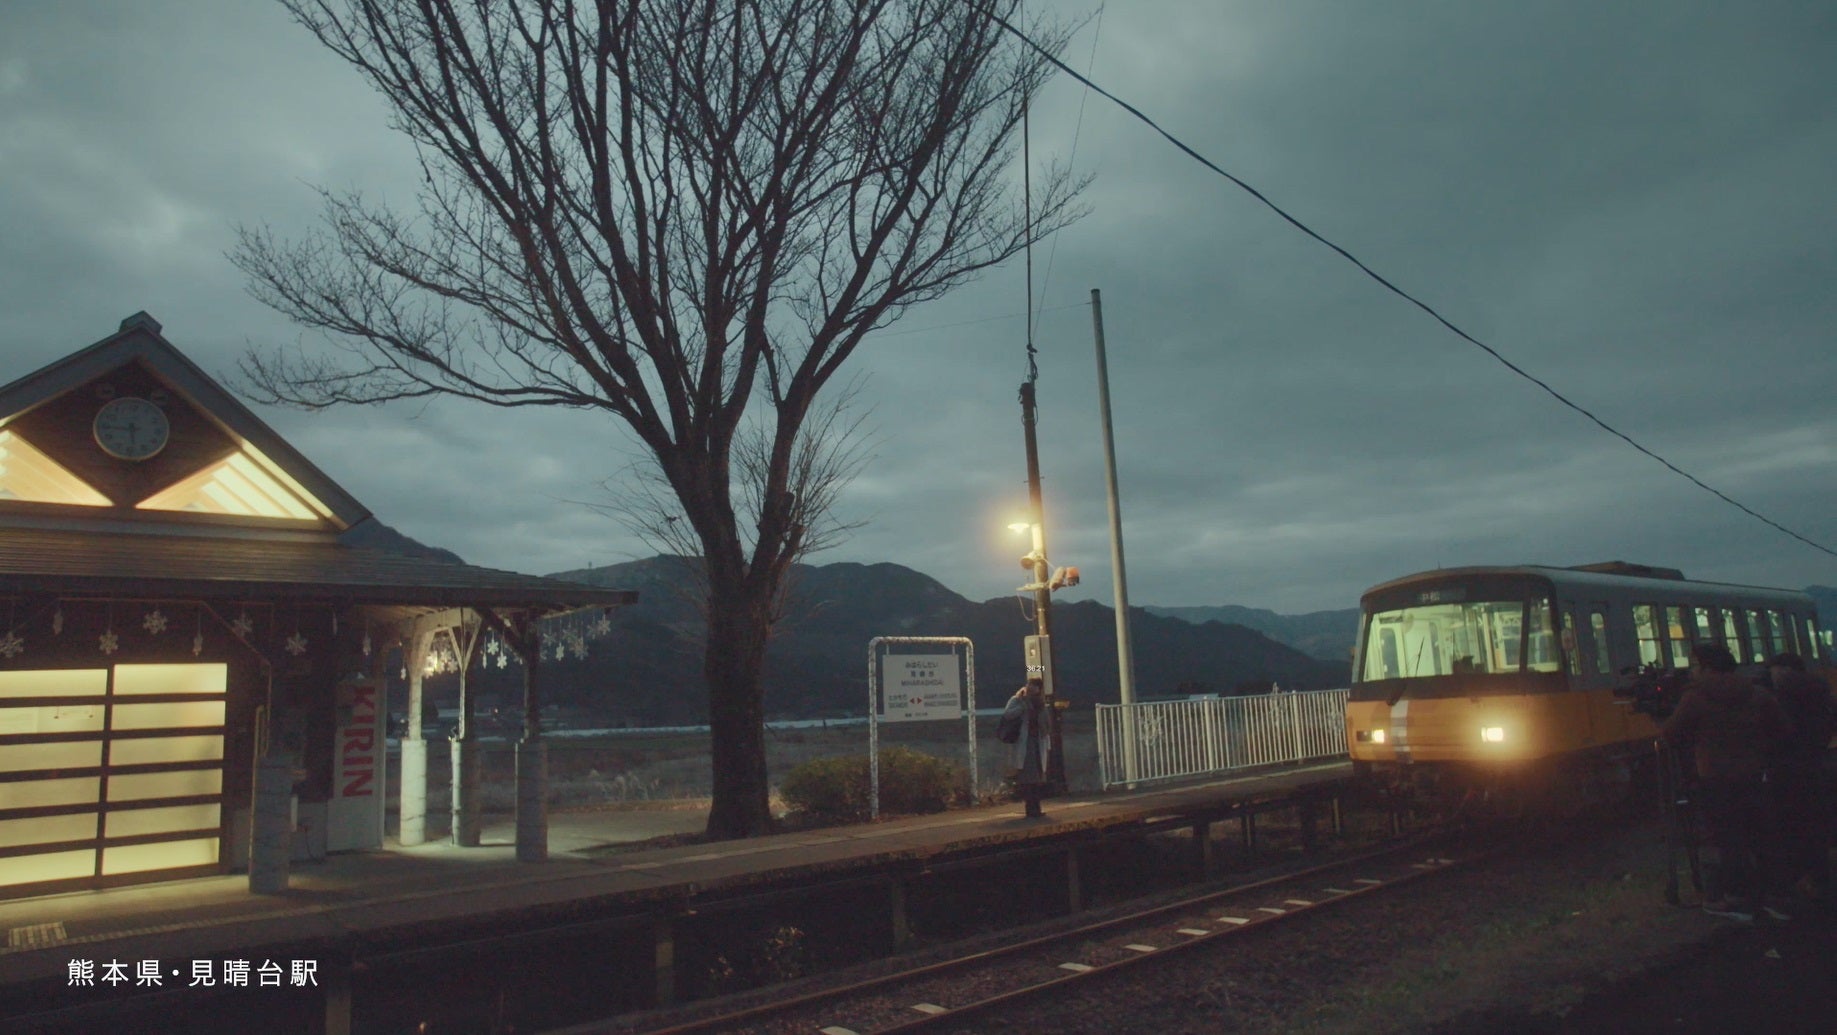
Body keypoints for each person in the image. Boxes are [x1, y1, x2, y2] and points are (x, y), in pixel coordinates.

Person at [1661, 641, 1791, 921]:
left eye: (1694, 665)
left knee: (1726, 838)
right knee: (1760, 834)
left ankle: (1733, 898)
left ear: (1706, 667)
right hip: (1753, 774)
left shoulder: (1695, 697)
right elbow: (1781, 729)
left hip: (1715, 778)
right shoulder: (1757, 693)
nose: (1692, 671)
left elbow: (1671, 733)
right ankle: (1772, 895)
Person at [1766, 651, 1834, 903]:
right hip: (1816, 765)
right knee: (1815, 825)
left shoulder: (1785, 697)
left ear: (1784, 670)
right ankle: (1819, 878)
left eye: (1773, 670)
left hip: (1789, 769)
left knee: (1793, 825)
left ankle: (1801, 880)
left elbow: (1778, 732)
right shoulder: (1821, 693)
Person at [1000, 678, 1050, 818]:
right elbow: (1007, 714)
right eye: (1030, 685)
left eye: (1035, 686)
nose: (1031, 688)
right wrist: (1023, 707)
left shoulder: (1041, 704)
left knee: (1037, 777)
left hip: (1037, 742)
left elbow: (1046, 725)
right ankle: (1031, 808)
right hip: (1024, 744)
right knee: (1028, 777)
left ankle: (1036, 808)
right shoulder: (1017, 700)